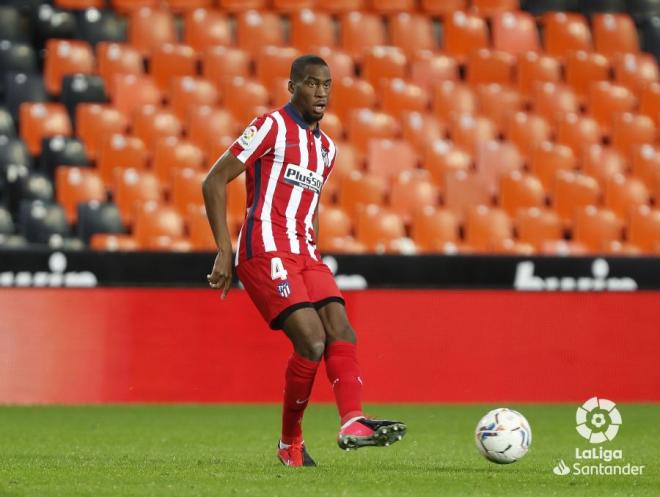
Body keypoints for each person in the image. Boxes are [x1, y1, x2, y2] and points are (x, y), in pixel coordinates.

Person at [202, 55, 406, 467]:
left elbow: (309, 205)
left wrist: (313, 250)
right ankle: (288, 442)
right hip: (265, 248)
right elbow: (214, 180)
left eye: (326, 85)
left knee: (341, 327)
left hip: (305, 252)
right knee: (311, 341)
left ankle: (352, 420)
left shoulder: (327, 149)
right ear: (292, 85)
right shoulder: (270, 127)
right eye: (311, 84)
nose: (320, 92)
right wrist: (225, 249)